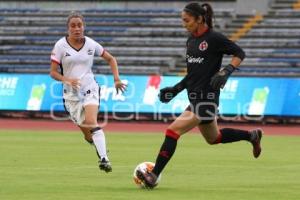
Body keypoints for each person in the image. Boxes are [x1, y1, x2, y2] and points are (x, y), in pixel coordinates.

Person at [137, 2, 263, 188]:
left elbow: (239, 53)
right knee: (214, 138)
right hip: (194, 97)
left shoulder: (214, 38)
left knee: (172, 131)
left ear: (199, 19)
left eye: (186, 20)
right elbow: (192, 74)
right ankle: (251, 136)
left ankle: (154, 175)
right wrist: (176, 89)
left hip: (208, 99)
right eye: (182, 20)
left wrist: (226, 71)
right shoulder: (191, 41)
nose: (184, 23)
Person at [50, 12, 126, 173]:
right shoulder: (60, 46)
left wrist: (117, 79)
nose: (77, 28)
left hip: (90, 87)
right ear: (68, 28)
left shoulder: (91, 44)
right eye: (73, 26)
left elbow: (111, 59)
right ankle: (97, 144)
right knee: (87, 134)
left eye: (79, 25)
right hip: (71, 94)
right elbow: (53, 72)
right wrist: (67, 80)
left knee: (92, 121)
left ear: (83, 26)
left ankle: (104, 158)